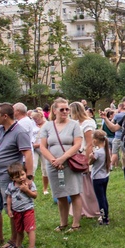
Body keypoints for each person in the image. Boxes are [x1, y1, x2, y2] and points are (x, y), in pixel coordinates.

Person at [0, 103, 34, 248]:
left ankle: (14, 240)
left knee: (13, 209)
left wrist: (29, 177)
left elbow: (28, 155)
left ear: (5, 116)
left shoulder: (20, 132)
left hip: (9, 179)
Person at [38, 98, 83, 233]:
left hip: (70, 163)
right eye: (62, 109)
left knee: (74, 192)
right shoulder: (47, 126)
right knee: (60, 193)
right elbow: (43, 146)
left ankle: (76, 224)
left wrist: (62, 158)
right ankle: (63, 223)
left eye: (67, 109)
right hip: (53, 165)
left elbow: (77, 144)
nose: (65, 112)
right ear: (54, 110)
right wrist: (53, 160)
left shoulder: (74, 125)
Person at [69, 102, 101, 220]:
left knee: (89, 184)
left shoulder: (88, 124)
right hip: (77, 154)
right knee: (80, 184)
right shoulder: (76, 123)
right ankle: (81, 208)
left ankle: (93, 208)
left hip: (86, 154)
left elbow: (89, 144)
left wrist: (87, 162)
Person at [5, 163, 37, 248]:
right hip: (16, 211)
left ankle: (31, 247)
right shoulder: (11, 186)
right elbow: (9, 197)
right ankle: (18, 245)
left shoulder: (29, 184)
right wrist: (9, 209)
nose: (21, 178)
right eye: (17, 176)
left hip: (28, 210)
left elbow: (35, 195)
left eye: (23, 174)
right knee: (18, 229)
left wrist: (26, 190)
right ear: (12, 178)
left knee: (29, 229)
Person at [90, 130, 111, 225]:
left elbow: (90, 163)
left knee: (100, 199)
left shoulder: (97, 153)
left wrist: (91, 157)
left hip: (97, 178)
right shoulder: (106, 150)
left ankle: (104, 218)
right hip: (105, 176)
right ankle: (106, 215)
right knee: (104, 197)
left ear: (95, 140)